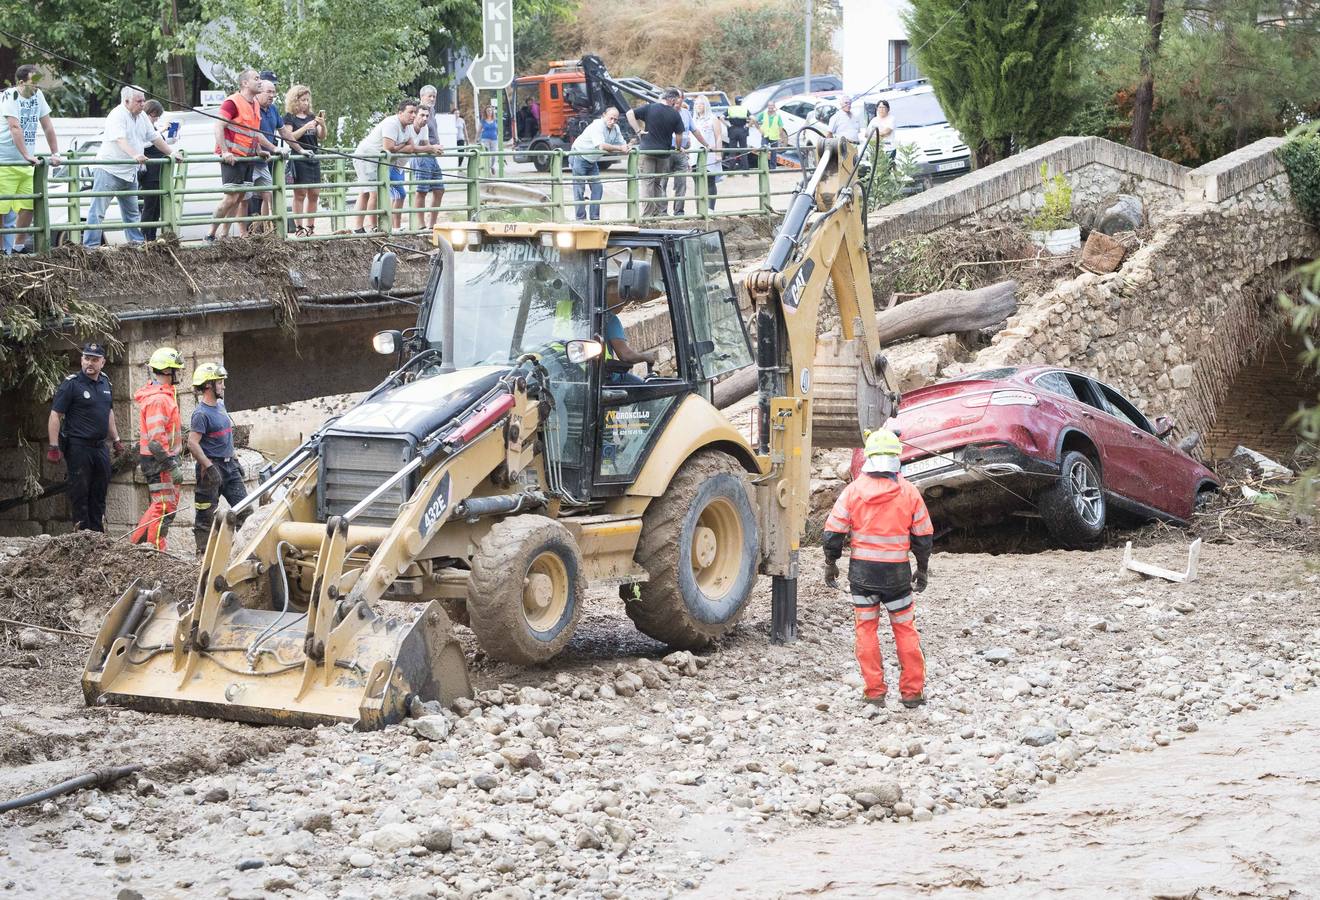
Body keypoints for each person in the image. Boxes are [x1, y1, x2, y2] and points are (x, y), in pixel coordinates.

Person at [823, 428, 933, 709]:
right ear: (897, 457)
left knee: (866, 630)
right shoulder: (909, 492)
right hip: (896, 574)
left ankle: (874, 692)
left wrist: (831, 563)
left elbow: (834, 531)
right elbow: (923, 537)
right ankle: (912, 693)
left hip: (863, 575)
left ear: (869, 457)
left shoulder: (853, 491)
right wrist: (921, 569)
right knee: (905, 629)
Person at [84, 86, 177, 247]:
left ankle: (136, 244)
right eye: (139, 101)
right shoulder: (117, 115)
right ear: (126, 101)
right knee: (98, 211)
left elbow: (154, 137)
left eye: (143, 100)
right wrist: (135, 155)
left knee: (132, 212)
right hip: (109, 170)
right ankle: (90, 247)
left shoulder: (142, 118)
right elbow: (120, 139)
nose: (143, 104)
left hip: (129, 172)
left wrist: (172, 153)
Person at [47, 343, 124, 532]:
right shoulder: (71, 384)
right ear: (81, 360)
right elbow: (55, 414)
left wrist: (116, 440)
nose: (90, 363)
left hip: (100, 447)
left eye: (94, 359)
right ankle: (82, 537)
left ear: (103, 362)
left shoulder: (105, 382)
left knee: (99, 494)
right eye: (86, 358)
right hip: (78, 447)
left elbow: (108, 413)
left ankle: (97, 538)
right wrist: (54, 446)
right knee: (80, 494)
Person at [208, 70, 282, 241]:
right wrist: (225, 151)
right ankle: (210, 233)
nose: (260, 82)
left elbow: (253, 132)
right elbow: (218, 126)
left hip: (247, 157)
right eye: (256, 79)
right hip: (233, 158)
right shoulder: (232, 102)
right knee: (230, 198)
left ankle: (224, 234)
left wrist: (259, 150)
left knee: (239, 197)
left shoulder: (255, 104)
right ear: (245, 83)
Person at [187, 362, 249, 554]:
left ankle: (244, 553)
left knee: (245, 512)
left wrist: (235, 460)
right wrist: (209, 466)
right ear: (208, 385)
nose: (223, 385)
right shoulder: (201, 414)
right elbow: (192, 443)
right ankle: (203, 557)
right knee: (206, 517)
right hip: (210, 470)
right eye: (220, 382)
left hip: (229, 468)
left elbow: (226, 438)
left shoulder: (221, 405)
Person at [0, 64, 62, 255]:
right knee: (1, 209)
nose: (37, 87)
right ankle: (2, 250)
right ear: (21, 83)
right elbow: (15, 127)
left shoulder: (38, 96)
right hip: (4, 161)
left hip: (26, 164)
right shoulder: (10, 96)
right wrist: (27, 154)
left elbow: (48, 126)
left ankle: (17, 248)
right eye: (33, 83)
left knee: (30, 205)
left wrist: (55, 153)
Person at [129, 347, 184, 550]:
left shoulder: (162, 394)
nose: (179, 374)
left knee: (158, 506)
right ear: (168, 371)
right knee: (163, 508)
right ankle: (156, 550)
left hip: (160, 460)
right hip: (160, 462)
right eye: (177, 370)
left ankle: (137, 544)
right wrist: (171, 466)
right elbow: (156, 440)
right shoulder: (159, 399)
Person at [350, 99, 420, 233]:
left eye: (414, 112)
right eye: (410, 112)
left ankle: (361, 227)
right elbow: (388, 147)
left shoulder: (408, 126)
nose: (413, 115)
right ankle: (371, 227)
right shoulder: (392, 123)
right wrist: (401, 146)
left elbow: (411, 147)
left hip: (378, 160)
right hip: (367, 157)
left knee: (368, 193)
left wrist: (397, 147)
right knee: (372, 193)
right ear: (400, 113)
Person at [626, 88, 686, 219]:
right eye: (675, 101)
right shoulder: (675, 114)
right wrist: (678, 148)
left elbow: (629, 113)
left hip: (647, 150)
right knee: (658, 184)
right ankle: (660, 213)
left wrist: (638, 130)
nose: (675, 103)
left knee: (647, 182)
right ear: (672, 99)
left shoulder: (650, 108)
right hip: (663, 153)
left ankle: (647, 215)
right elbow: (679, 135)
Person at [280, 84, 326, 237]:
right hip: (298, 158)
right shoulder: (289, 117)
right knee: (300, 194)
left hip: (313, 157)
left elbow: (321, 136)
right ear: (295, 100)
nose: (306, 103)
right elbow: (290, 137)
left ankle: (311, 227)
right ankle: (299, 227)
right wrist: (306, 127)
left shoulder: (312, 116)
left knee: (314, 193)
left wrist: (322, 125)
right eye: (303, 100)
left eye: (307, 100)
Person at [568, 107, 627, 221]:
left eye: (615, 119)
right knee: (579, 189)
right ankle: (581, 218)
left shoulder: (616, 128)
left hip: (592, 159)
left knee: (597, 188)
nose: (613, 121)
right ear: (604, 115)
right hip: (579, 155)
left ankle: (595, 217)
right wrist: (620, 148)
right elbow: (601, 146)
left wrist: (626, 147)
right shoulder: (597, 125)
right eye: (611, 118)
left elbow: (622, 143)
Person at [245, 79, 285, 230]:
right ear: (259, 91)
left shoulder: (273, 109)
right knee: (241, 198)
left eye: (274, 92)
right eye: (269, 92)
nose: (272, 95)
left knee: (268, 195)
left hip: (263, 160)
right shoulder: (252, 107)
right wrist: (274, 148)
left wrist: (299, 149)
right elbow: (255, 133)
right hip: (249, 159)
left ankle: (266, 228)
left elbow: (283, 131)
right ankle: (240, 233)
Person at [138, 100, 178, 241]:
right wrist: (160, 131)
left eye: (157, 116)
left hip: (158, 173)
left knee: (156, 208)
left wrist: (171, 135)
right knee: (149, 207)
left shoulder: (153, 128)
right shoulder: (142, 127)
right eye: (154, 115)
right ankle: (145, 238)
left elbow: (161, 143)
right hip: (149, 173)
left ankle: (151, 237)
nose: (156, 118)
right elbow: (146, 142)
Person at [604, 299, 658, 386]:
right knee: (647, 390)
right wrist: (646, 357)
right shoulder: (608, 319)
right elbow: (626, 356)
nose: (626, 303)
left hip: (581, 376)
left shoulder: (577, 314)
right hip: (606, 379)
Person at [410, 105, 444, 231]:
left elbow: (426, 144)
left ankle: (432, 225)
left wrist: (436, 149)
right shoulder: (409, 127)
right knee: (421, 191)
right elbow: (413, 148)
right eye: (422, 115)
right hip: (420, 159)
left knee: (439, 190)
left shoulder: (425, 128)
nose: (425, 118)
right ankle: (421, 225)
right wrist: (431, 148)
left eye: (426, 116)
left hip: (430, 158)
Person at [689, 95, 725, 212]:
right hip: (695, 155)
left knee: (709, 181)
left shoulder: (712, 119)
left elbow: (718, 136)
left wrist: (718, 153)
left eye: (701, 104)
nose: (698, 106)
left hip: (709, 154)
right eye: (696, 104)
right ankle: (699, 208)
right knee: (697, 182)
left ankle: (710, 208)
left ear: (706, 105)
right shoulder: (693, 120)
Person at [753, 101, 784, 171]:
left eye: (772, 105)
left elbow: (781, 126)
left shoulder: (778, 116)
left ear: (774, 107)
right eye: (769, 106)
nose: (770, 107)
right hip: (765, 135)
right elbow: (755, 120)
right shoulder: (763, 114)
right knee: (763, 151)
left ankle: (773, 168)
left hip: (774, 136)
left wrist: (781, 137)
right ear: (768, 106)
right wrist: (759, 129)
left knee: (774, 153)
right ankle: (763, 167)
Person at [724, 96, 750, 171]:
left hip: (733, 130)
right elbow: (753, 118)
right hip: (742, 130)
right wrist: (748, 126)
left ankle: (731, 170)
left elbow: (721, 117)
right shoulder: (744, 109)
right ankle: (746, 170)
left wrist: (728, 126)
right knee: (743, 150)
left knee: (732, 151)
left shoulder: (730, 109)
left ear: (735, 101)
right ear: (741, 102)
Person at [479, 106, 498, 174]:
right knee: (487, 154)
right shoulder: (483, 120)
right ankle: (487, 168)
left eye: (490, 111)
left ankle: (492, 166)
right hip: (485, 138)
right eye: (488, 111)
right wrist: (477, 138)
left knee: (493, 155)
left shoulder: (495, 120)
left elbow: (498, 129)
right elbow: (479, 130)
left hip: (494, 139)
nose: (489, 112)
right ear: (485, 112)